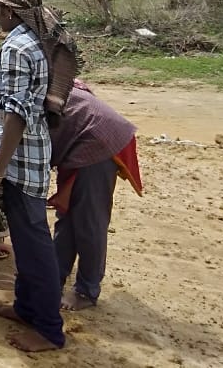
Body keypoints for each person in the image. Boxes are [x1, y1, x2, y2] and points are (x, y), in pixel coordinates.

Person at [0, 0, 78, 353]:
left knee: (33, 245)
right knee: (27, 239)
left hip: (19, 159)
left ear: (10, 12)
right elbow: (17, 102)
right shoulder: (34, 41)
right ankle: (26, 308)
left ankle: (47, 329)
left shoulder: (15, 48)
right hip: (30, 153)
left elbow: (16, 113)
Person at [49, 84, 143, 312]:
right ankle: (55, 277)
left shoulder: (18, 99)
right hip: (81, 140)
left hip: (98, 141)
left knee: (89, 220)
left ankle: (87, 290)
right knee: (68, 214)